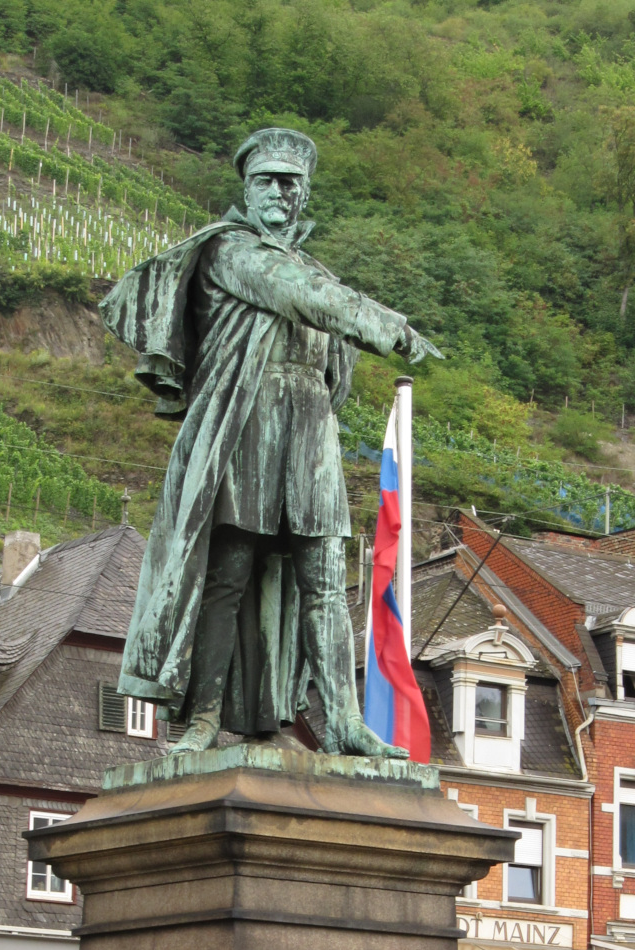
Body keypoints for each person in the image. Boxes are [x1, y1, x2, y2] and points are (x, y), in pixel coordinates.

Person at [101, 126, 441, 755]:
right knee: (226, 575)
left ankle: (343, 723)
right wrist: (390, 326)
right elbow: (301, 296)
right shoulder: (232, 252)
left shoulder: (319, 271)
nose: (281, 192)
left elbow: (335, 365)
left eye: (292, 182)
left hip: (310, 431)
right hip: (244, 425)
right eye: (268, 180)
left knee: (324, 579)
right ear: (248, 190)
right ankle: (202, 718)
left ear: (305, 193)